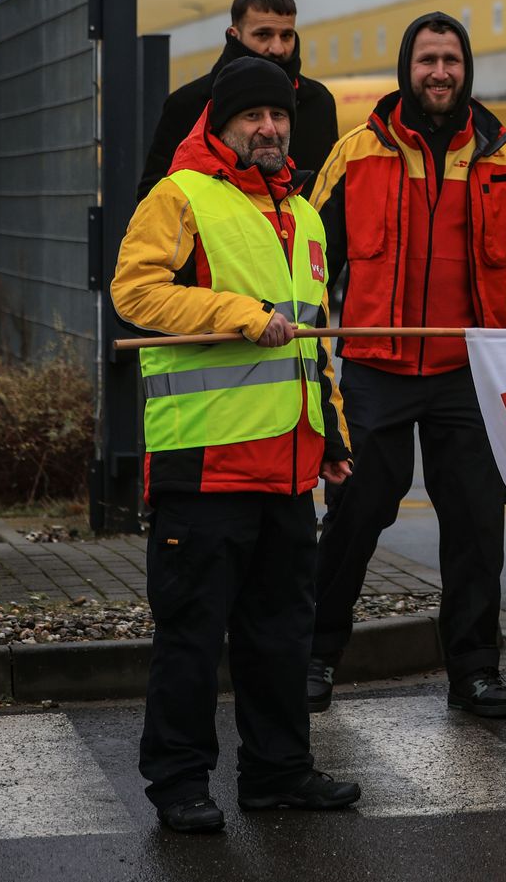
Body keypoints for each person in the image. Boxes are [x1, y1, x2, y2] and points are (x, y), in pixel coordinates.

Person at [111, 57, 361, 833]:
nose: (270, 128)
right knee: (191, 637)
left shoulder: (307, 215)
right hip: (204, 465)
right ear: (220, 124)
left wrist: (333, 433)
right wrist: (240, 312)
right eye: (253, 116)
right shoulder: (180, 196)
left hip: (287, 469)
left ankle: (278, 771)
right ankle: (180, 783)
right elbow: (134, 290)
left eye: (279, 116)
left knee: (280, 633)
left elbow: (315, 340)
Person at [305, 12, 506, 719]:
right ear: (406, 68)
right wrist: (318, 370)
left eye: (451, 59)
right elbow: (311, 266)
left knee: (476, 521)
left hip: (468, 371)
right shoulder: (356, 153)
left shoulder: (500, 157)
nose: (440, 72)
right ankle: (316, 655)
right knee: (358, 510)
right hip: (377, 365)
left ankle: (475, 670)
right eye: (427, 60)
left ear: (466, 68)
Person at [141, 0, 340, 198]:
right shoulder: (189, 103)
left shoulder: (319, 101)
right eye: (263, 35)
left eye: (286, 36)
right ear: (234, 35)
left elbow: (329, 190)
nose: (277, 48)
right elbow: (155, 195)